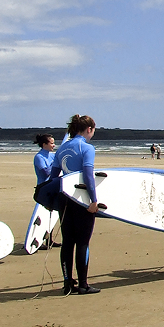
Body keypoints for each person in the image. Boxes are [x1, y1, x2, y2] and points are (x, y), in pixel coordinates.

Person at [50, 115, 100, 295]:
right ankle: (84, 285)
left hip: (64, 198)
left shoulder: (62, 148)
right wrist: (94, 200)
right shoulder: (86, 148)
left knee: (67, 242)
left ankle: (67, 283)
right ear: (89, 129)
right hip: (81, 199)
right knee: (83, 243)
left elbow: (54, 177)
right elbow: (88, 176)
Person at [33, 133, 61, 249]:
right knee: (44, 214)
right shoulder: (39, 157)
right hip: (43, 188)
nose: (54, 145)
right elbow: (46, 172)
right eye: (51, 143)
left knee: (53, 213)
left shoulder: (53, 156)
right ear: (44, 144)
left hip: (53, 187)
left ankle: (50, 240)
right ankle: (39, 239)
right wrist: (55, 165)